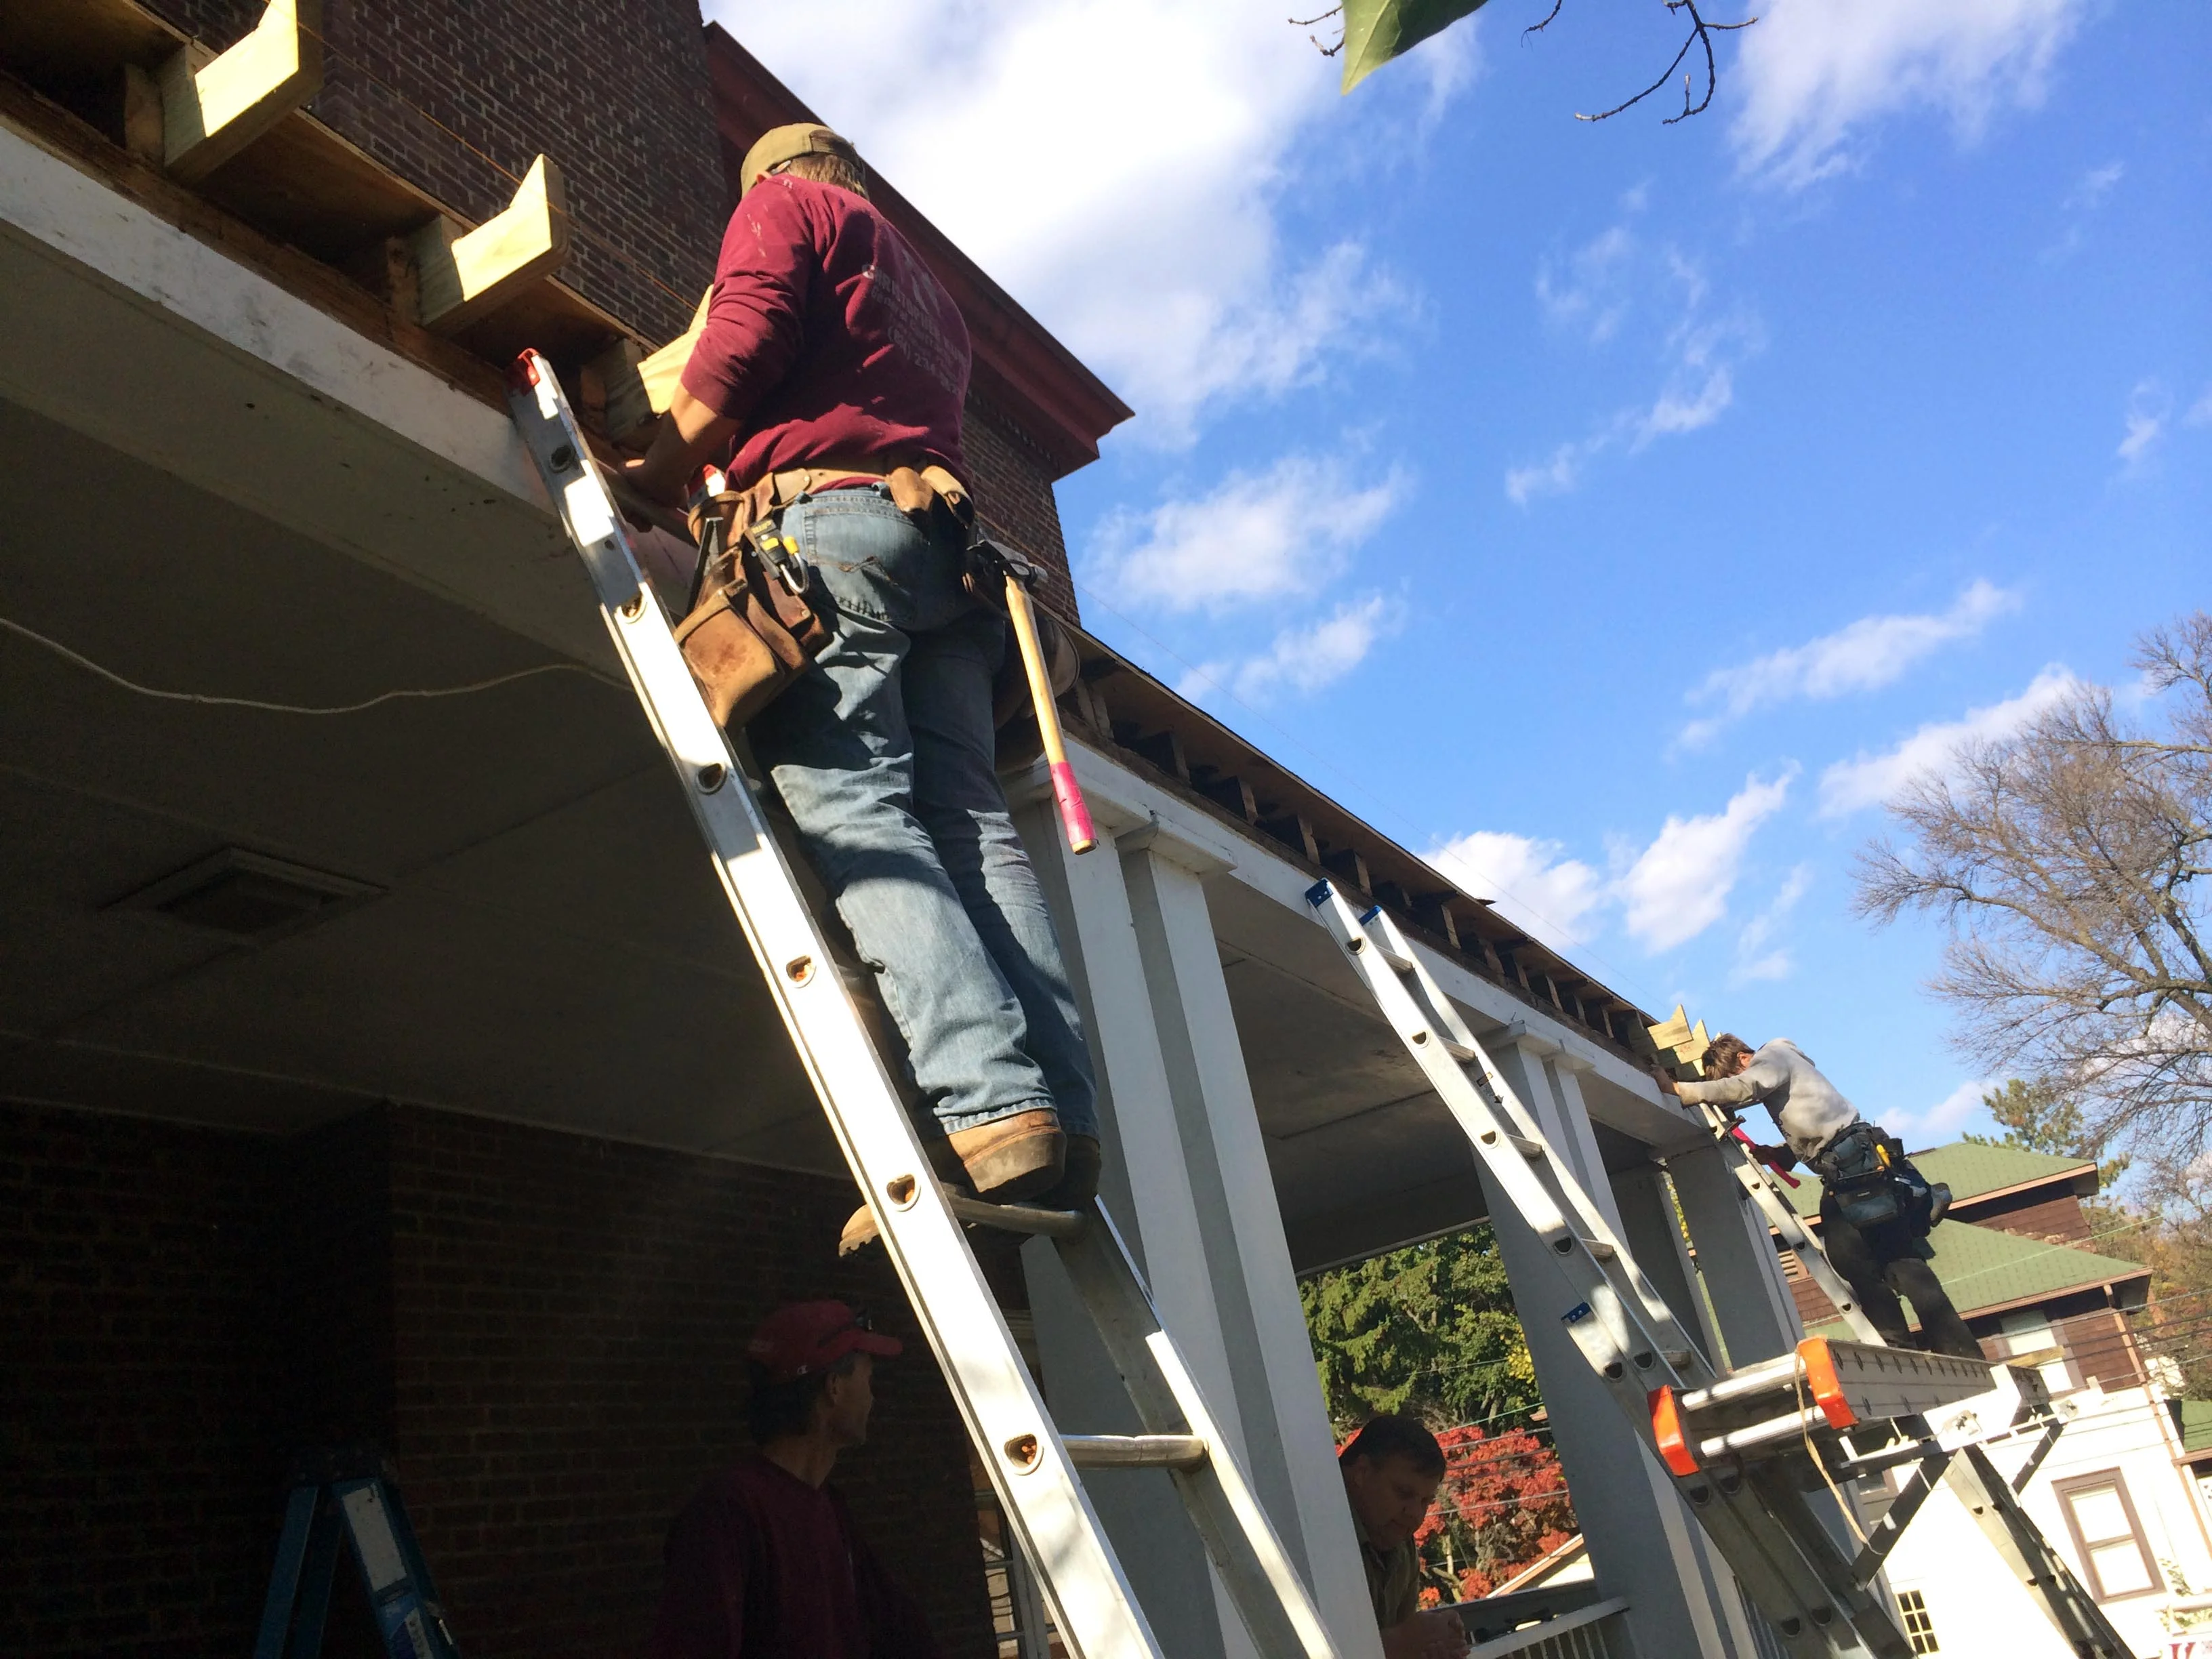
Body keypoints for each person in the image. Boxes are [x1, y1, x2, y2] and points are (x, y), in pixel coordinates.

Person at [626, 123, 1098, 1218]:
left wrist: (654, 466)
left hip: (830, 531)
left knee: (857, 811)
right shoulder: (924, 288)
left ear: (772, 180)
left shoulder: (788, 209)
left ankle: (986, 1106)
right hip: (944, 560)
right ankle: (1059, 1114)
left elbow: (740, 339)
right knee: (968, 825)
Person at [1658, 1034, 1984, 1361]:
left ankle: (1901, 1343)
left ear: (1743, 1059)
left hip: (1853, 1170)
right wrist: (1784, 1154)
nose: (1736, 1081)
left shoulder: (1770, 1058)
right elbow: (1818, 1126)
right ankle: (1953, 1345)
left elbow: (1746, 1088)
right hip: (1855, 1163)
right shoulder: (1789, 1065)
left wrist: (1681, 1090)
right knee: (1896, 1258)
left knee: (1859, 1258)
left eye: (1732, 1075)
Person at [645, 1300, 938, 1658]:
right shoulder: (727, 1514)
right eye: (867, 1379)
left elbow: (897, 1629)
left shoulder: (830, 1507)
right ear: (834, 1387)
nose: (873, 1399)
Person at [1338, 1416, 1471, 1659]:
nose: (1415, 1515)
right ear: (1361, 1472)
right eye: (1403, 1493)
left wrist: (1431, 1641)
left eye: (1425, 1502)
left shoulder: (1401, 1544)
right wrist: (1401, 1641)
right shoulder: (1311, 1531)